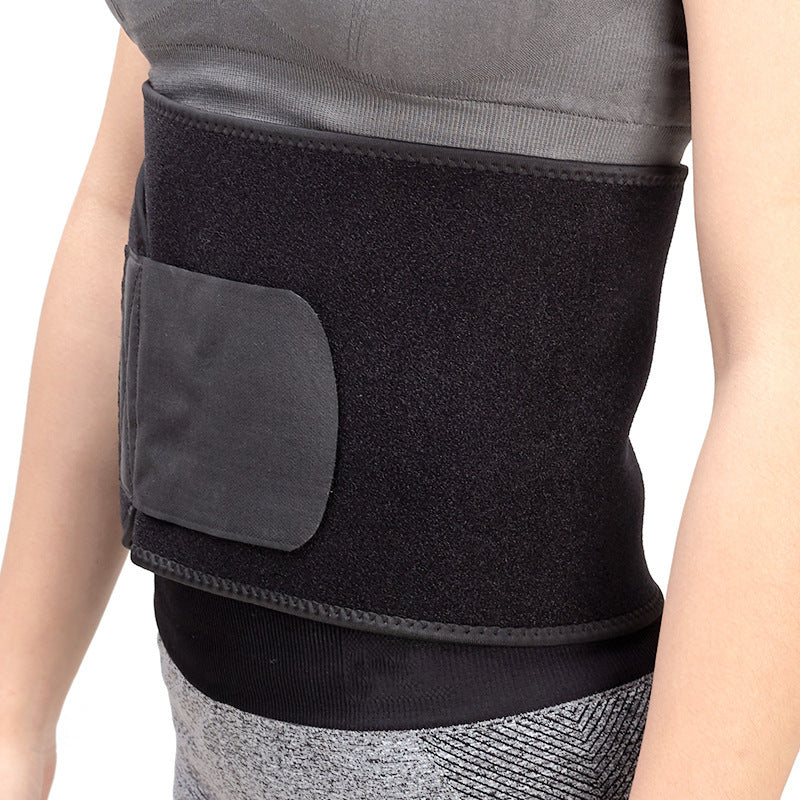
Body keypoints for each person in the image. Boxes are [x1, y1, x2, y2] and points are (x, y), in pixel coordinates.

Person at [1, 2, 799, 799]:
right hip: (201, 734)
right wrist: (14, 717)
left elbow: (780, 356)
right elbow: (128, 195)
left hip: (509, 748)